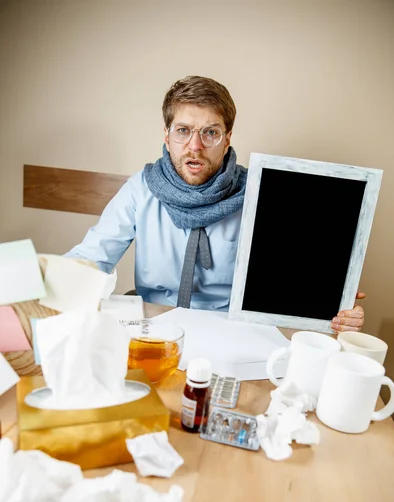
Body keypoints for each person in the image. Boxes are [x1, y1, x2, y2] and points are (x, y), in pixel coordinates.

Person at [65, 75, 365, 333]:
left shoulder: (260, 194)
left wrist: (335, 306)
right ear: (167, 135)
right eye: (183, 130)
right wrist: (41, 281)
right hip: (156, 326)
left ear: (227, 138)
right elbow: (90, 259)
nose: (195, 146)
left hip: (232, 330)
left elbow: (299, 278)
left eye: (211, 132)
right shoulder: (140, 190)